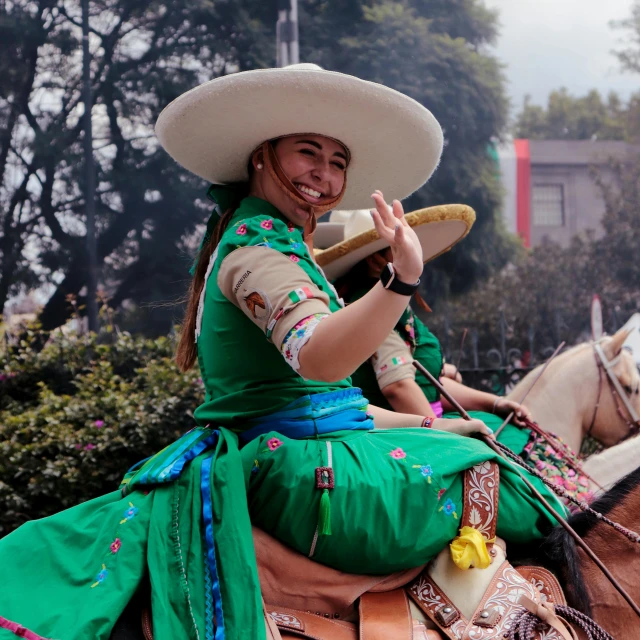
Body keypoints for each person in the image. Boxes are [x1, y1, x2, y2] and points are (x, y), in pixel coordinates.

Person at [0, 64, 566, 640]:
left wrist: (438, 425)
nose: (323, 174)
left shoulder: (277, 247)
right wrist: (401, 281)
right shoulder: (258, 252)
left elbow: (334, 403)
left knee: (485, 454)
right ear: (261, 156)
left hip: (295, 456)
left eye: (337, 161)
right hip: (299, 477)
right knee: (518, 490)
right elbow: (320, 360)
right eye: (307, 153)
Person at [316, 208, 592, 503]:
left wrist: (496, 402)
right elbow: (398, 386)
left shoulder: (387, 297)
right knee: (526, 471)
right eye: (400, 244)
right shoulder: (371, 301)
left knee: (526, 443)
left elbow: (427, 381)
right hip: (404, 435)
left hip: (424, 422)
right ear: (374, 259)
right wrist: (445, 436)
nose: (415, 251)